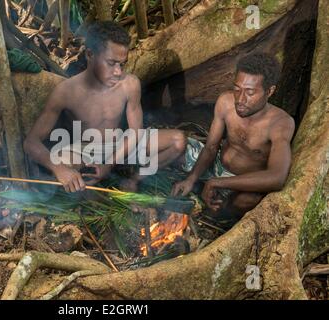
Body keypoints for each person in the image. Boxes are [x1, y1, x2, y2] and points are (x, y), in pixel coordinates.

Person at [24, 21, 185, 193]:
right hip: (86, 151)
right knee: (64, 162)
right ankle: (88, 186)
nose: (118, 72)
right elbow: (31, 142)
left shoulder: (129, 84)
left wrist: (109, 162)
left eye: (122, 64)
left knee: (178, 141)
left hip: (122, 145)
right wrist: (59, 169)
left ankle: (132, 180)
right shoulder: (66, 92)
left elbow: (135, 132)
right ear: (90, 55)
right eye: (111, 63)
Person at [171, 52, 295, 218]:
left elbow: (277, 177)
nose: (240, 99)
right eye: (237, 89)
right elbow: (211, 147)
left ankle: (217, 216)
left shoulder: (280, 123)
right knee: (171, 146)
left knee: (248, 201)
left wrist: (218, 183)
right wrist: (191, 178)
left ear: (270, 91)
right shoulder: (226, 102)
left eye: (250, 93)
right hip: (216, 166)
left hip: (243, 183)